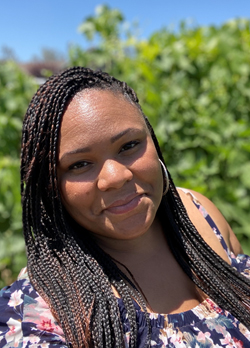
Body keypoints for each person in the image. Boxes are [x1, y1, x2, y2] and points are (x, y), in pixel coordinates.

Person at [0, 66, 250, 348]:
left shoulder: (199, 213)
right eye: (79, 164)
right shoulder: (36, 315)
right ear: (50, 187)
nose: (116, 177)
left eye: (129, 145)